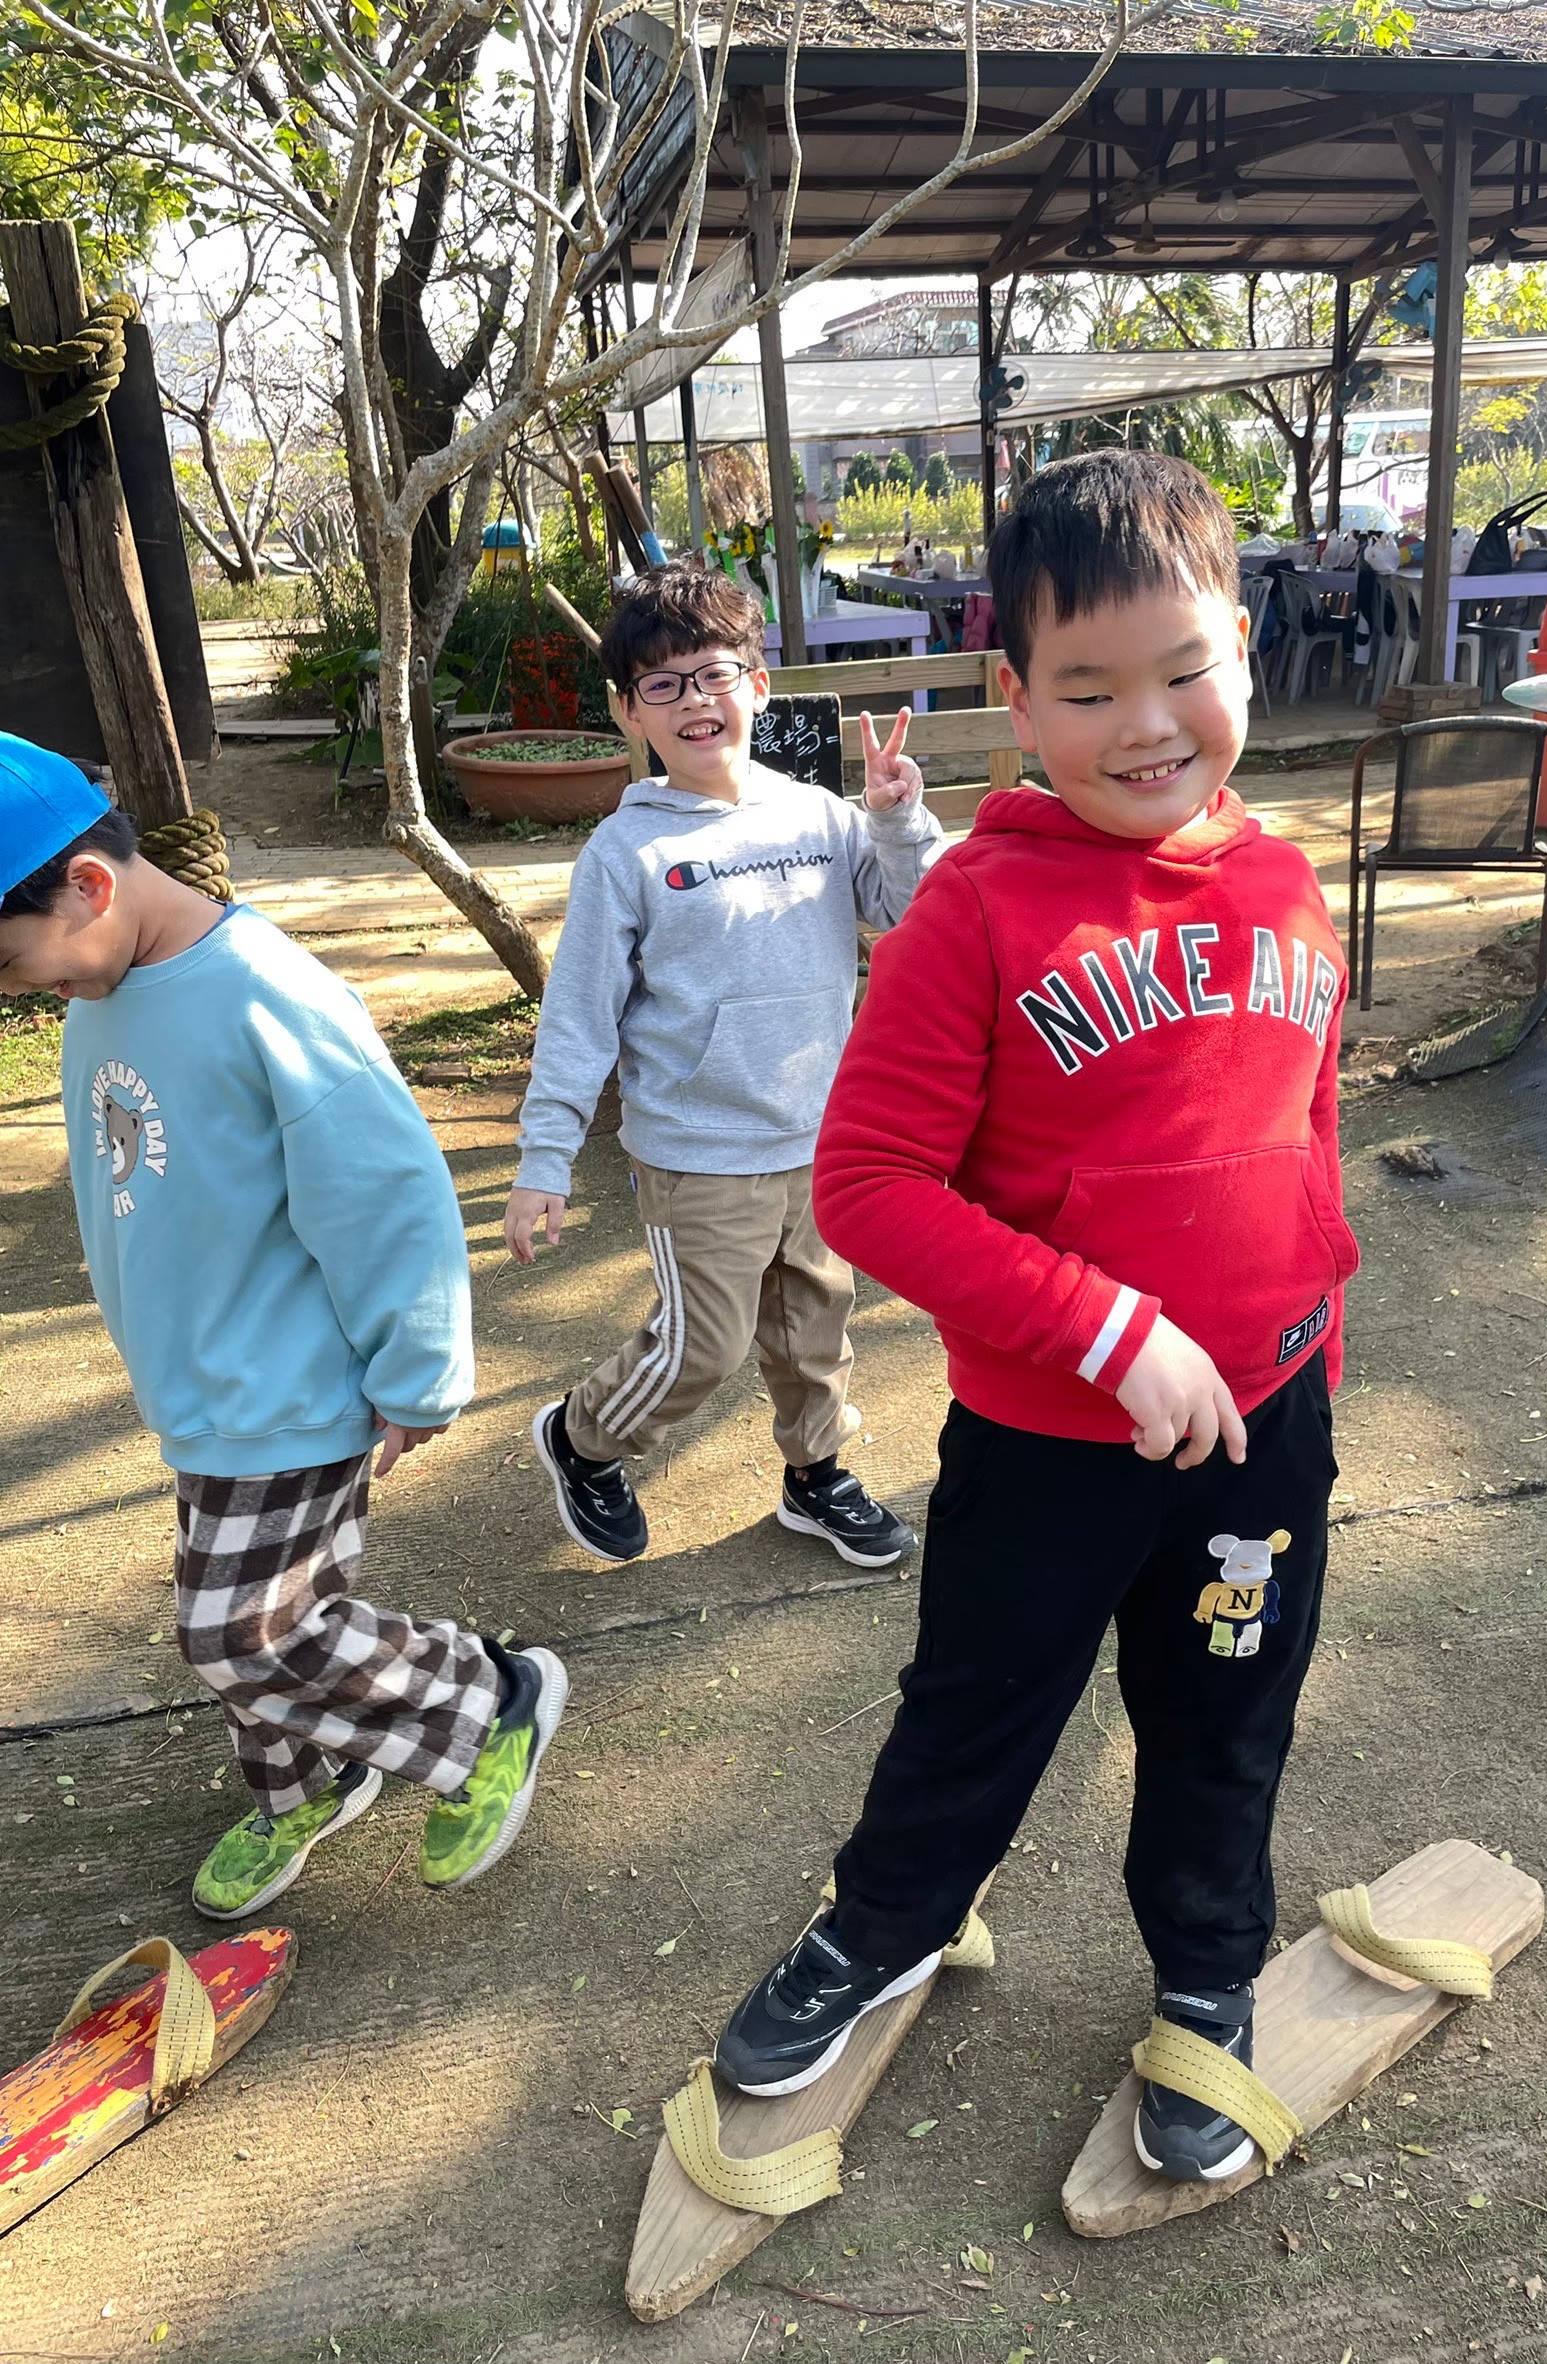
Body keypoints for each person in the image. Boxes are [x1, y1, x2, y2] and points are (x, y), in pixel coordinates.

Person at [715, 453, 1358, 2184]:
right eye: (1085, 689)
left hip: (1259, 1436)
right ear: (1014, 696)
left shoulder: (1286, 883)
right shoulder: (973, 911)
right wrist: (1109, 1330)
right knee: (976, 1707)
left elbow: (1301, 1127)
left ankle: (1207, 1972)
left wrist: (1306, 1331)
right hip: (1045, 1442)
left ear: (1243, 649)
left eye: (1182, 671)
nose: (1143, 725)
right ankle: (885, 1923)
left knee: (1224, 1720)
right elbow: (868, 1186)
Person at [0, 736, 565, 1919]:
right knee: (262, 1612)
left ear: (89, 886)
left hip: (289, 1385)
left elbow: (386, 1193)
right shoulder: (106, 986)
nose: (18, 992)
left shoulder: (265, 993)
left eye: (13, 964)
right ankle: (305, 1783)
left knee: (240, 1633)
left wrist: (418, 1372)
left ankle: (482, 1702)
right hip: (203, 1384)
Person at [504, 567, 946, 1568]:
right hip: (697, 1153)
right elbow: (580, 1018)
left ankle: (815, 1475)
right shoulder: (625, 852)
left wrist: (893, 818)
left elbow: (908, 910)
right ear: (629, 711)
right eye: (662, 686)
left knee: (815, 1327)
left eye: (713, 675)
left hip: (818, 1138)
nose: (694, 701)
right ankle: (583, 1437)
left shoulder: (819, 816)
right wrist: (544, 1158)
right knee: (701, 1344)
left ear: (757, 684)